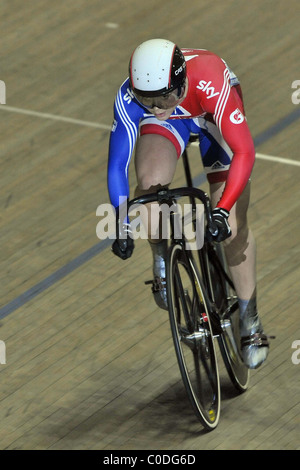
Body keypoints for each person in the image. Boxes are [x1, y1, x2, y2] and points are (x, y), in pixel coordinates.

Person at [107, 38, 269, 369]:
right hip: (172, 128)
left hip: (211, 115)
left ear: (180, 82)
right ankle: (162, 262)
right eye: (146, 100)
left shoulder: (209, 78)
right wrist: (122, 222)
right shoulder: (133, 98)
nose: (156, 106)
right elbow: (116, 166)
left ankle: (250, 320)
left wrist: (222, 210)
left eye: (165, 96)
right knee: (150, 203)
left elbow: (244, 151)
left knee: (233, 229)